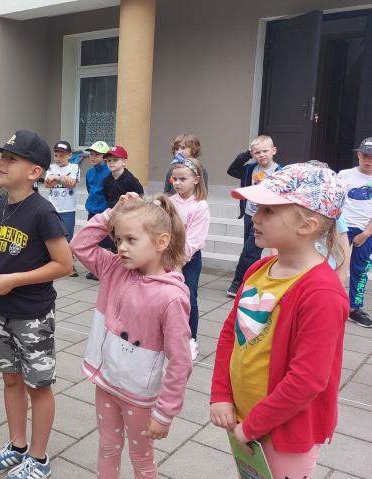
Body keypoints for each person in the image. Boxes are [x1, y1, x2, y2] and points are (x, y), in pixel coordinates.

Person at [210, 161, 348, 479]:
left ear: (307, 225)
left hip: (284, 431)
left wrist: (253, 426)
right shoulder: (258, 269)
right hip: (244, 419)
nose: (255, 216)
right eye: (258, 207)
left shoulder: (321, 293)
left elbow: (307, 379)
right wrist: (221, 394)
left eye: (269, 210)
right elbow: (231, 334)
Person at [71, 192, 193, 479]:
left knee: (142, 459)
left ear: (161, 242)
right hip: (107, 382)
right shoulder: (114, 267)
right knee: (107, 447)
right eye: (118, 239)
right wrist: (110, 215)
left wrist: (165, 413)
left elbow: (180, 361)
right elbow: (79, 245)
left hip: (138, 395)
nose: (122, 247)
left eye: (131, 240)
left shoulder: (171, 297)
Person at [0, 130, 73, 479]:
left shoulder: (43, 212)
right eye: (2, 156)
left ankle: (39, 457)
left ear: (34, 172)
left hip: (33, 315)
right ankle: (17, 446)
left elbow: (64, 264)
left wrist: (14, 280)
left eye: (11, 159)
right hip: (1, 310)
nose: (2, 163)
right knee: (11, 379)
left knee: (38, 386)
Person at [226, 135, 281, 297]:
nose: (261, 155)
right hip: (249, 214)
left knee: (250, 251)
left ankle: (238, 283)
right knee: (250, 250)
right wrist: (247, 154)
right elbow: (232, 170)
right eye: (257, 152)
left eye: (265, 151)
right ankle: (252, 279)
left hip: (266, 217)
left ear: (273, 151)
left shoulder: (280, 172)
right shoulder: (250, 169)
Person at [168, 155, 210, 361]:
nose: (177, 183)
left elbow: (194, 240)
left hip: (189, 259)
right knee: (167, 297)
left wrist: (177, 263)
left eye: (183, 179)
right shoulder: (168, 202)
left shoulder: (200, 206)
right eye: (174, 179)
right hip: (167, 256)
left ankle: (190, 339)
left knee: (189, 298)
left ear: (196, 179)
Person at [339, 137, 372, 327]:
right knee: (335, 265)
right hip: (342, 228)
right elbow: (335, 200)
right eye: (365, 155)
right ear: (359, 154)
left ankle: (355, 308)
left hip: (366, 230)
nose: (368, 160)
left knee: (360, 269)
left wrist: (367, 233)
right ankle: (331, 302)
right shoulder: (345, 175)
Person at [46, 140, 81, 277]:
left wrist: (56, 177)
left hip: (68, 208)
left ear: (70, 155)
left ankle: (69, 265)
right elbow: (48, 184)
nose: (58, 158)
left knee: (68, 237)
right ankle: (55, 261)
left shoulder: (74, 167)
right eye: (56, 155)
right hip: (53, 207)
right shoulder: (51, 167)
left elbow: (72, 184)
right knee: (53, 235)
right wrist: (62, 179)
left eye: (62, 155)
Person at [84, 141, 112, 280]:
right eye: (91, 154)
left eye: (96, 154)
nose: (93, 157)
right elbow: (90, 190)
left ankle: (104, 270)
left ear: (105, 157)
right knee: (92, 240)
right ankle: (95, 268)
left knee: (105, 242)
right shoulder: (89, 173)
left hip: (104, 212)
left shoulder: (109, 173)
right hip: (92, 211)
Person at [102, 145, 143, 210]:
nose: (111, 162)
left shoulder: (131, 180)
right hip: (112, 212)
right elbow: (108, 198)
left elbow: (140, 198)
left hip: (127, 213)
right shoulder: (106, 181)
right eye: (109, 160)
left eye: (115, 160)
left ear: (124, 162)